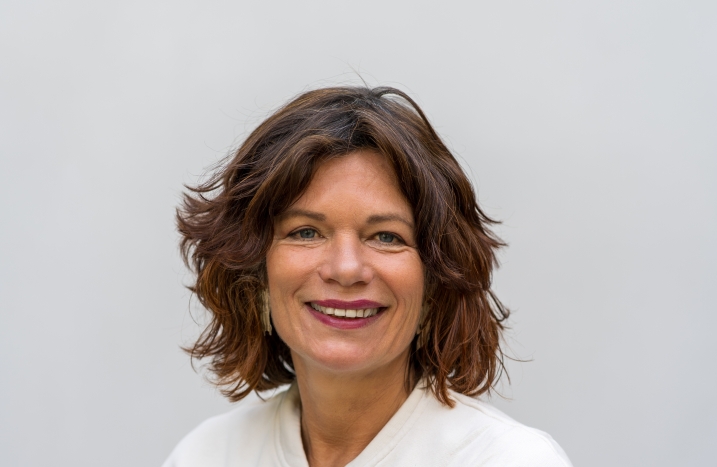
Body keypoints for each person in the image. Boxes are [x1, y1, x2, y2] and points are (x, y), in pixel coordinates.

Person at [165, 86, 572, 467]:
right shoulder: (206, 455)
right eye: (306, 232)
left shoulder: (509, 459)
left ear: (436, 282)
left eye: (386, 237)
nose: (346, 269)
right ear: (254, 273)